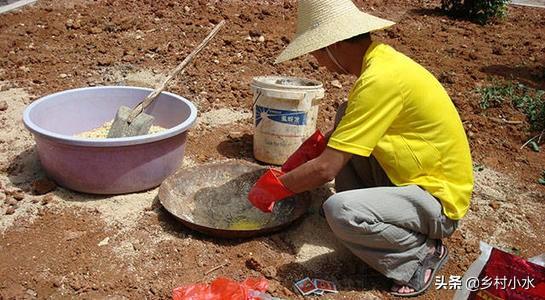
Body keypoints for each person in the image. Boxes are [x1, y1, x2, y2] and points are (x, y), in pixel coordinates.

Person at [247, 0, 474, 297]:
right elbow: (340, 138)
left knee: (340, 211)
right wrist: (304, 157)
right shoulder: (380, 62)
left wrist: (276, 187)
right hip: (409, 177)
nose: (318, 61)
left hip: (439, 201)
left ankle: (419, 254)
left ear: (336, 44)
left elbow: (327, 168)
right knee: (345, 116)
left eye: (317, 50)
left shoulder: (380, 80)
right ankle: (376, 225)